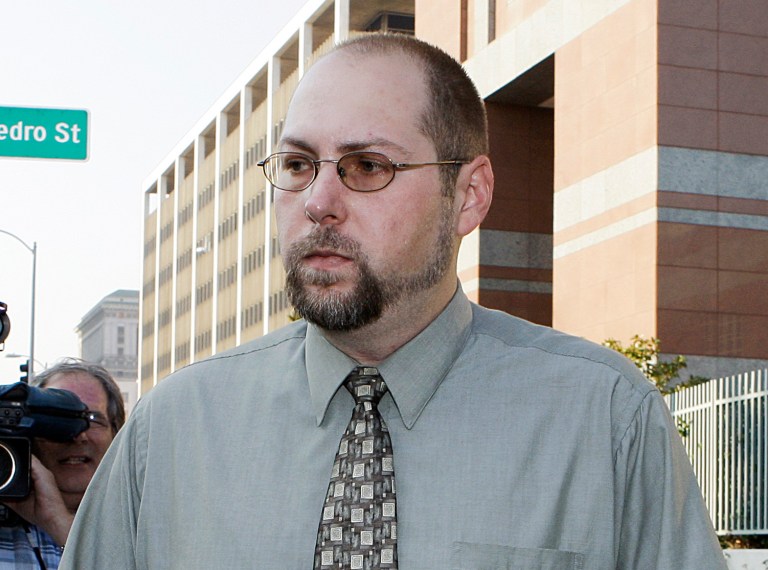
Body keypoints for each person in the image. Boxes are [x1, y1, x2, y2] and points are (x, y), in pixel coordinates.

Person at [61, 33, 726, 569]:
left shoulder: (605, 419)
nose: (318, 201)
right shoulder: (172, 433)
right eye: (297, 165)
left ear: (469, 195)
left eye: (367, 167)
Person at [0, 359, 125, 569]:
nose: (78, 434)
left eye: (93, 419)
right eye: (58, 419)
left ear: (117, 435)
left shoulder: (137, 526)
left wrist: (59, 524)